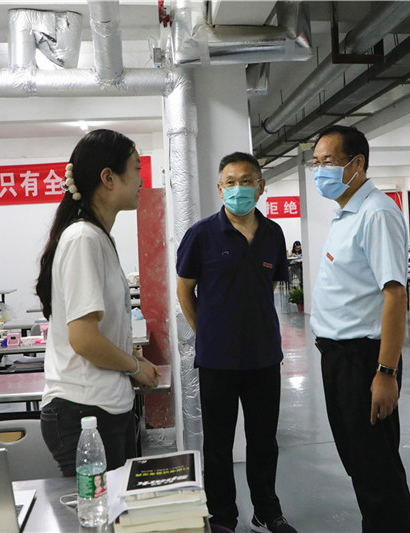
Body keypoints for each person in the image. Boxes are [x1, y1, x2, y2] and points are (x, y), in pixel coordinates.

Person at [176, 152, 297, 533]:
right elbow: (184, 290)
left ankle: (267, 511)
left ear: (260, 187)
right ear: (220, 188)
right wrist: (207, 332)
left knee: (264, 441)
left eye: (246, 181)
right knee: (218, 443)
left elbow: (267, 287)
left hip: (264, 356)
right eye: (230, 182)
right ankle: (223, 516)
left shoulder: (273, 234)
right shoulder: (201, 235)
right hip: (217, 360)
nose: (238, 189)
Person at [37, 129, 162, 476]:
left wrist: (129, 359)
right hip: (83, 410)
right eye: (136, 169)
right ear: (109, 178)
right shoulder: (83, 239)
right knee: (100, 507)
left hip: (102, 405)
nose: (141, 180)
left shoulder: (98, 237)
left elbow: (98, 330)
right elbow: (84, 339)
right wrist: (133, 367)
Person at [309, 125, 410, 533]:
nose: (320, 171)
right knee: (360, 463)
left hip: (364, 359)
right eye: (315, 163)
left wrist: (386, 372)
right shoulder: (347, 213)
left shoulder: (376, 213)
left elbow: (395, 295)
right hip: (339, 357)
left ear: (357, 164)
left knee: (377, 469)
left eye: (328, 162)